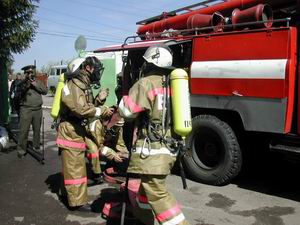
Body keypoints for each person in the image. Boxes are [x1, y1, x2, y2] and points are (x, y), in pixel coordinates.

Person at [118, 45, 190, 225]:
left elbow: (127, 111)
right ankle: (144, 220)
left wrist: (123, 98)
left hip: (152, 150)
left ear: (150, 63)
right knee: (145, 190)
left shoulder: (146, 83)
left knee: (157, 193)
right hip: (169, 147)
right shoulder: (171, 84)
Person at [56, 57, 114, 211]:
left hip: (76, 129)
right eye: (96, 69)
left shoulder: (82, 85)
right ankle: (77, 203)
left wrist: (99, 102)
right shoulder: (74, 85)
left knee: (72, 165)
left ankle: (67, 195)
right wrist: (101, 110)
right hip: (70, 130)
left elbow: (86, 107)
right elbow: (80, 109)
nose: (98, 73)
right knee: (75, 168)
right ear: (88, 68)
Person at [17, 65, 48, 158]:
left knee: (37, 129)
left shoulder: (38, 82)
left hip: (37, 109)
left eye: (31, 72)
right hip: (26, 109)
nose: (30, 74)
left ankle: (36, 146)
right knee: (24, 131)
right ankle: (21, 150)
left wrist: (35, 84)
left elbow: (45, 91)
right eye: (28, 73)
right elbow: (19, 93)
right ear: (25, 74)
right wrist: (27, 84)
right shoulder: (22, 83)